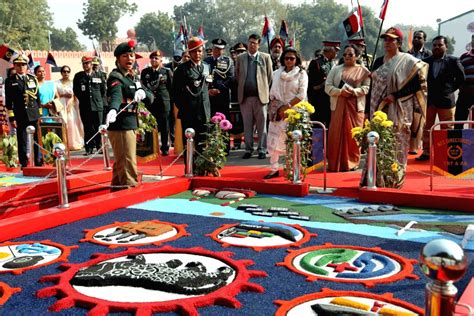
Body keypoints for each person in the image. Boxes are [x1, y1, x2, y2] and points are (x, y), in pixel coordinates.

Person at [370, 27, 428, 179]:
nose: (387, 42)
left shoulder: (407, 60)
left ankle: (396, 177)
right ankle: (377, 177)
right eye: (385, 39)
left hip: (400, 108)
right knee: (379, 140)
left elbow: (417, 85)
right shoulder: (378, 61)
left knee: (398, 142)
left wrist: (395, 96)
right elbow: (373, 85)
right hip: (379, 109)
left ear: (399, 42)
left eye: (391, 39)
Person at [104, 40, 153, 190]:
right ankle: (129, 189)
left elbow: (151, 96)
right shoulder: (116, 77)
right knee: (127, 161)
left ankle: (117, 188)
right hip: (121, 124)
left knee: (121, 161)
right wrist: (113, 109)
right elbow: (116, 95)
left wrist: (143, 92)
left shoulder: (132, 77)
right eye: (125, 56)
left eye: (132, 56)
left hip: (131, 122)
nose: (130, 59)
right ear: (118, 59)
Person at [416, 35, 465, 161]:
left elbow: (461, 79)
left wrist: (449, 91)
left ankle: (447, 154)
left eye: (440, 45)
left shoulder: (454, 61)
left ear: (446, 46)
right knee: (427, 128)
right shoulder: (426, 61)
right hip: (429, 102)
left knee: (447, 129)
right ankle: (426, 152)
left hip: (446, 101)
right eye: (434, 45)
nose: (437, 47)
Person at [325, 44, 370, 172]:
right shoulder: (336, 69)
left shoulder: (363, 70)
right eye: (345, 54)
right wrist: (340, 92)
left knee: (353, 135)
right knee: (335, 134)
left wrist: (354, 91)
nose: (347, 57)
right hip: (338, 105)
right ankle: (334, 163)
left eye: (350, 54)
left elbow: (366, 88)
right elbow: (327, 86)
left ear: (357, 56)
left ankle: (352, 162)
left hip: (355, 107)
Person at [266, 47, 308, 179]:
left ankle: (292, 168)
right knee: (273, 140)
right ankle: (273, 168)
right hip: (278, 111)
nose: (289, 60)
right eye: (286, 58)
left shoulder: (301, 74)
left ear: (296, 60)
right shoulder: (276, 73)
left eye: (292, 58)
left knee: (292, 141)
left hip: (294, 112)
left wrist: (287, 106)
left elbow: (301, 95)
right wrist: (278, 107)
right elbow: (271, 92)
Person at [171, 36, 211, 161]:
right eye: (194, 51)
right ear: (190, 52)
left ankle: (202, 167)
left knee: (203, 142)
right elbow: (175, 92)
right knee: (188, 143)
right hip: (189, 112)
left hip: (204, 110)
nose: (198, 54)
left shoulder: (206, 66)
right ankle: (189, 168)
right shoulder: (182, 70)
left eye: (200, 51)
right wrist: (184, 107)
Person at [235, 34, 273, 160]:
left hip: (260, 98)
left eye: (255, 43)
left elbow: (269, 77)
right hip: (245, 98)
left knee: (262, 126)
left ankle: (262, 149)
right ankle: (248, 149)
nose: (252, 45)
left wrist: (263, 90)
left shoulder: (265, 57)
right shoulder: (240, 58)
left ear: (259, 44)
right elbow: (237, 76)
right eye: (250, 42)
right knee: (247, 125)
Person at [4, 54, 42, 167]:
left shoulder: (32, 78)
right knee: (22, 139)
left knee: (36, 139)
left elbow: (37, 98)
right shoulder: (10, 80)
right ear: (14, 66)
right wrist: (12, 117)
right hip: (20, 114)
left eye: (23, 64)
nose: (21, 67)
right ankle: (24, 162)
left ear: (26, 66)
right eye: (18, 65)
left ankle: (38, 160)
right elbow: (9, 101)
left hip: (33, 113)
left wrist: (39, 115)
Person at [204, 38, 234, 153]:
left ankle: (225, 147)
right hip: (209, 96)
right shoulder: (206, 61)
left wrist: (219, 89)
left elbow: (231, 78)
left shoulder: (228, 61)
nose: (219, 51)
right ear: (213, 48)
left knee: (224, 121)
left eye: (221, 49)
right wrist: (209, 90)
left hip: (222, 96)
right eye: (217, 48)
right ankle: (211, 146)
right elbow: (203, 77)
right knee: (211, 121)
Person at [140, 50, 173, 156]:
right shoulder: (145, 72)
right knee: (150, 126)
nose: (154, 60)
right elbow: (143, 87)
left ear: (161, 60)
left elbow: (171, 88)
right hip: (151, 104)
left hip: (163, 103)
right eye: (152, 58)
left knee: (164, 127)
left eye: (156, 58)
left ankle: (164, 147)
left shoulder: (166, 71)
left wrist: (171, 103)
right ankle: (151, 147)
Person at [73, 56, 107, 155]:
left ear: (92, 64)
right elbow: (76, 91)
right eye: (84, 63)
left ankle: (99, 146)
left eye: (87, 63)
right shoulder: (79, 76)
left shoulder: (99, 75)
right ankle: (89, 148)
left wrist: (97, 100)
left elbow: (102, 90)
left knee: (99, 127)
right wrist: (84, 100)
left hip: (97, 105)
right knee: (87, 127)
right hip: (85, 106)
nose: (86, 65)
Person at [307, 40, 340, 128]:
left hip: (331, 100)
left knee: (330, 125)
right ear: (329, 51)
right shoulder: (316, 63)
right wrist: (325, 83)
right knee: (318, 127)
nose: (337, 53)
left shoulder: (334, 63)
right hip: (319, 101)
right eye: (336, 50)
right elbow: (312, 85)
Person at [56, 65, 84, 150]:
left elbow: (76, 93)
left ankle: (73, 143)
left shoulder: (73, 82)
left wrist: (71, 102)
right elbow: (56, 94)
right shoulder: (57, 83)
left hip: (72, 105)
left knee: (72, 122)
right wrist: (63, 95)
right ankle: (64, 143)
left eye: (68, 71)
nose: (66, 73)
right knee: (63, 122)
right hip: (61, 104)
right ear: (61, 73)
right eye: (64, 71)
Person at [455, 35, 474, 129]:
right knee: (458, 123)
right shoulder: (464, 57)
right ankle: (457, 143)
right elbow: (458, 75)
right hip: (464, 96)